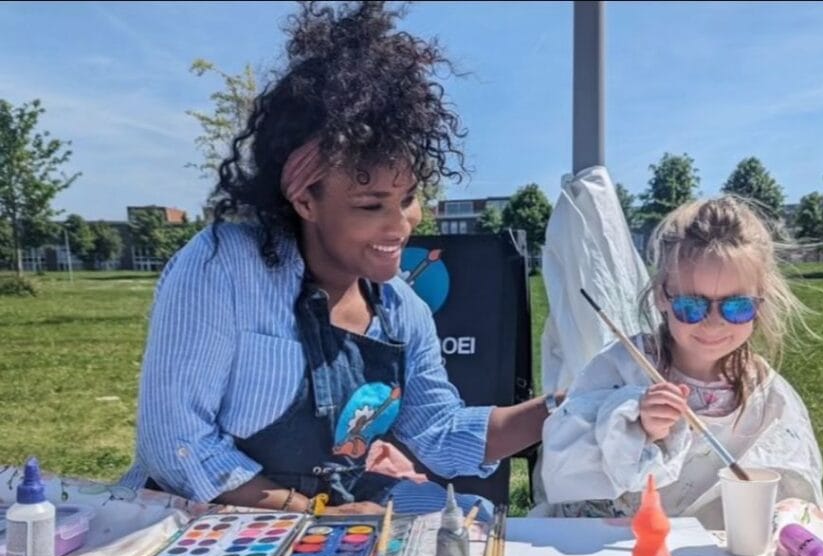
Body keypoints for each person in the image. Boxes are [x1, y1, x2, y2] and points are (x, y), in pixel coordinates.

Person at [120, 2, 561, 519]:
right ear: (305, 200)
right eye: (370, 205)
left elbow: (437, 433)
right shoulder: (225, 266)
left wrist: (564, 410)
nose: (401, 225)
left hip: (329, 522)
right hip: (204, 533)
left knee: (474, 523)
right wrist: (312, 514)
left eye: (408, 198)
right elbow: (177, 445)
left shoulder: (402, 310)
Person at [537, 195, 823, 529]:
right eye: (692, 306)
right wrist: (634, 425)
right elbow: (563, 465)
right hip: (620, 548)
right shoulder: (623, 365)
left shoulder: (766, 392)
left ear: (760, 303)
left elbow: (795, 489)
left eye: (736, 307)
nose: (714, 323)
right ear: (661, 295)